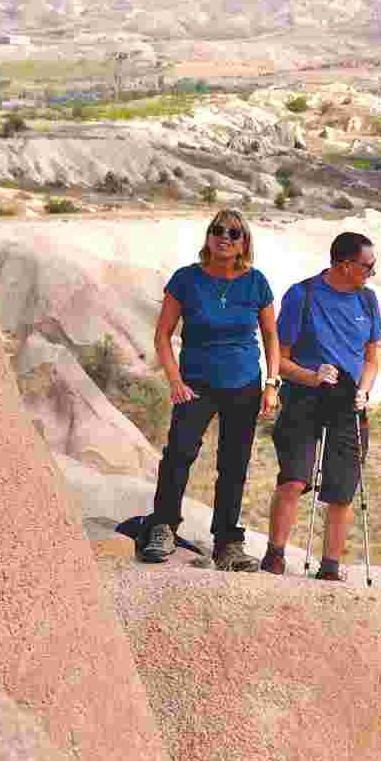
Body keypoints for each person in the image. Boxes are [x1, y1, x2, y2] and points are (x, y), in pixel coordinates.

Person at [141, 209, 277, 571]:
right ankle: (163, 527)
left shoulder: (256, 282)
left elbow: (271, 337)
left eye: (234, 234)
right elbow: (162, 335)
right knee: (179, 454)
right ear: (208, 237)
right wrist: (174, 380)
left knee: (234, 465)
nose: (224, 238)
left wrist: (271, 384)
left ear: (244, 242)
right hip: (195, 383)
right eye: (218, 231)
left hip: (244, 383)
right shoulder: (186, 279)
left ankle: (228, 543)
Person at [263, 232, 381, 580]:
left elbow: (373, 359)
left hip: (349, 400)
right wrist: (312, 376)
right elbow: (279, 360)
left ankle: (330, 569)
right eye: (367, 266)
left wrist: (364, 390)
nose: (371, 273)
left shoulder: (369, 301)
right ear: (344, 264)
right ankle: (274, 556)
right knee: (294, 480)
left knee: (342, 489)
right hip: (305, 396)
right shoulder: (303, 295)